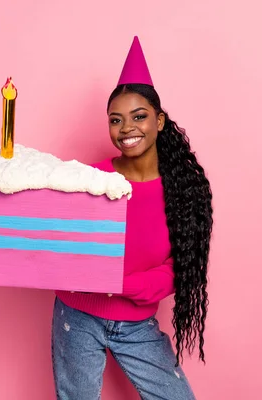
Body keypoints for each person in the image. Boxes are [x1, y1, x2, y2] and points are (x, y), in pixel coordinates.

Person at [52, 36, 214, 400]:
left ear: (158, 121)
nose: (127, 128)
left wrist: (120, 284)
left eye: (138, 117)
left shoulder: (184, 190)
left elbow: (180, 268)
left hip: (137, 321)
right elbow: (58, 237)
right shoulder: (89, 180)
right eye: (116, 120)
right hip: (77, 316)